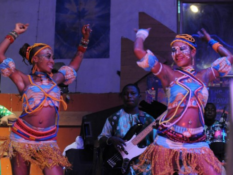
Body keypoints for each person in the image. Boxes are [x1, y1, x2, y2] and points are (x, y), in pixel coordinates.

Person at [0, 22, 91, 175]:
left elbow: (74, 65)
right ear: (35, 59)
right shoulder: (24, 79)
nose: (52, 61)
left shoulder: (56, 79)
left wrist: (84, 40)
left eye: (53, 58)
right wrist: (14, 33)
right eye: (48, 57)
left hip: (47, 140)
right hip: (22, 137)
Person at [133, 28, 233, 174]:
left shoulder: (204, 76)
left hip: (197, 141)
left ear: (193, 52)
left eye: (182, 49)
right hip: (168, 140)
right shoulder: (168, 73)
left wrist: (209, 40)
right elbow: (138, 51)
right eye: (174, 50)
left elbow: (229, 58)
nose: (177, 53)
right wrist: (141, 34)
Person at [98, 84, 157, 175]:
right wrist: (111, 139)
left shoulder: (149, 120)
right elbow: (100, 140)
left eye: (133, 93)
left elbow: (157, 143)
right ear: (122, 97)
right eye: (126, 94)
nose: (129, 96)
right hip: (118, 169)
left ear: (139, 96)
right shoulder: (113, 118)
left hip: (143, 170)